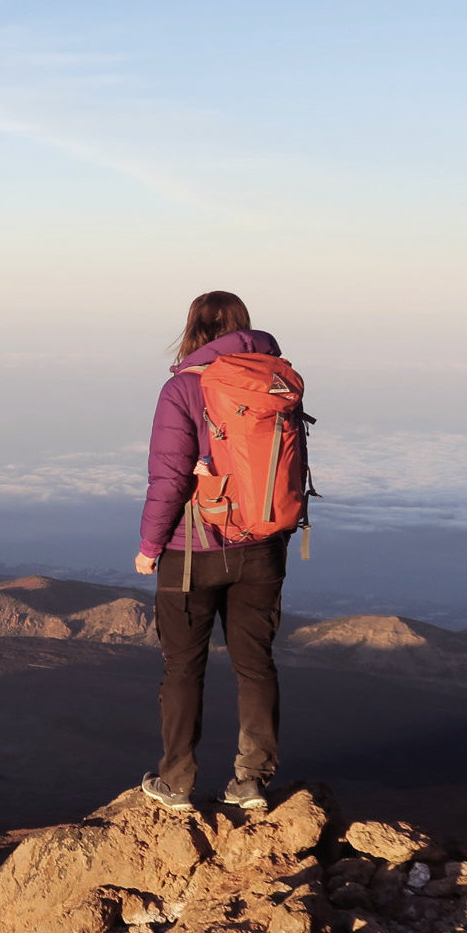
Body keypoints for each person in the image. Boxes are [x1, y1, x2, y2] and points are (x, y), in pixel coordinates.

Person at [134, 291, 289, 812]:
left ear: (193, 329)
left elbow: (170, 475)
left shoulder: (182, 387)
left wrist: (150, 545)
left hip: (192, 549)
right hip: (263, 544)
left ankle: (176, 781)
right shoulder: (275, 379)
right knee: (255, 665)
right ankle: (251, 780)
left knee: (182, 667)